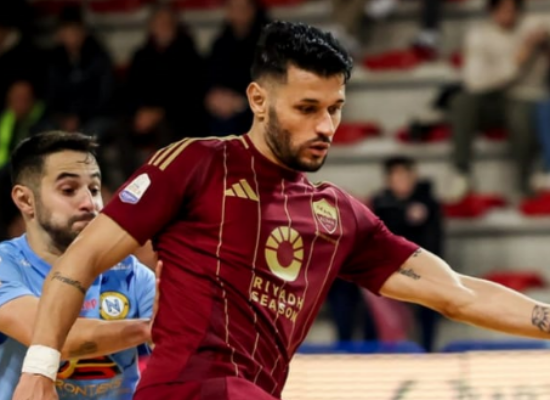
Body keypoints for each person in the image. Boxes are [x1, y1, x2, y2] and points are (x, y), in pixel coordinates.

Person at [14, 21, 550, 400]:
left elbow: (456, 292)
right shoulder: (197, 164)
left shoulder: (339, 218)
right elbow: (79, 262)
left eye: (335, 109)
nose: (326, 127)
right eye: (307, 108)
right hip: (189, 390)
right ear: (258, 99)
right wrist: (39, 369)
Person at [1, 131, 157, 399]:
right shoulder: (6, 265)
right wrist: (148, 329)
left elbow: (178, 345)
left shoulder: (131, 273)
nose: (90, 204)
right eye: (68, 190)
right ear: (26, 200)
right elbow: (50, 339)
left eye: (94, 189)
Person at [371, 156, 443, 351]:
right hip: (390, 270)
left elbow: (434, 244)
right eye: (396, 177)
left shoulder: (429, 204)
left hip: (423, 269)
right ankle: (378, 350)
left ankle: (427, 349)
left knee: (432, 295)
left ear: (414, 177)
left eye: (405, 176)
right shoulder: (380, 205)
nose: (401, 181)